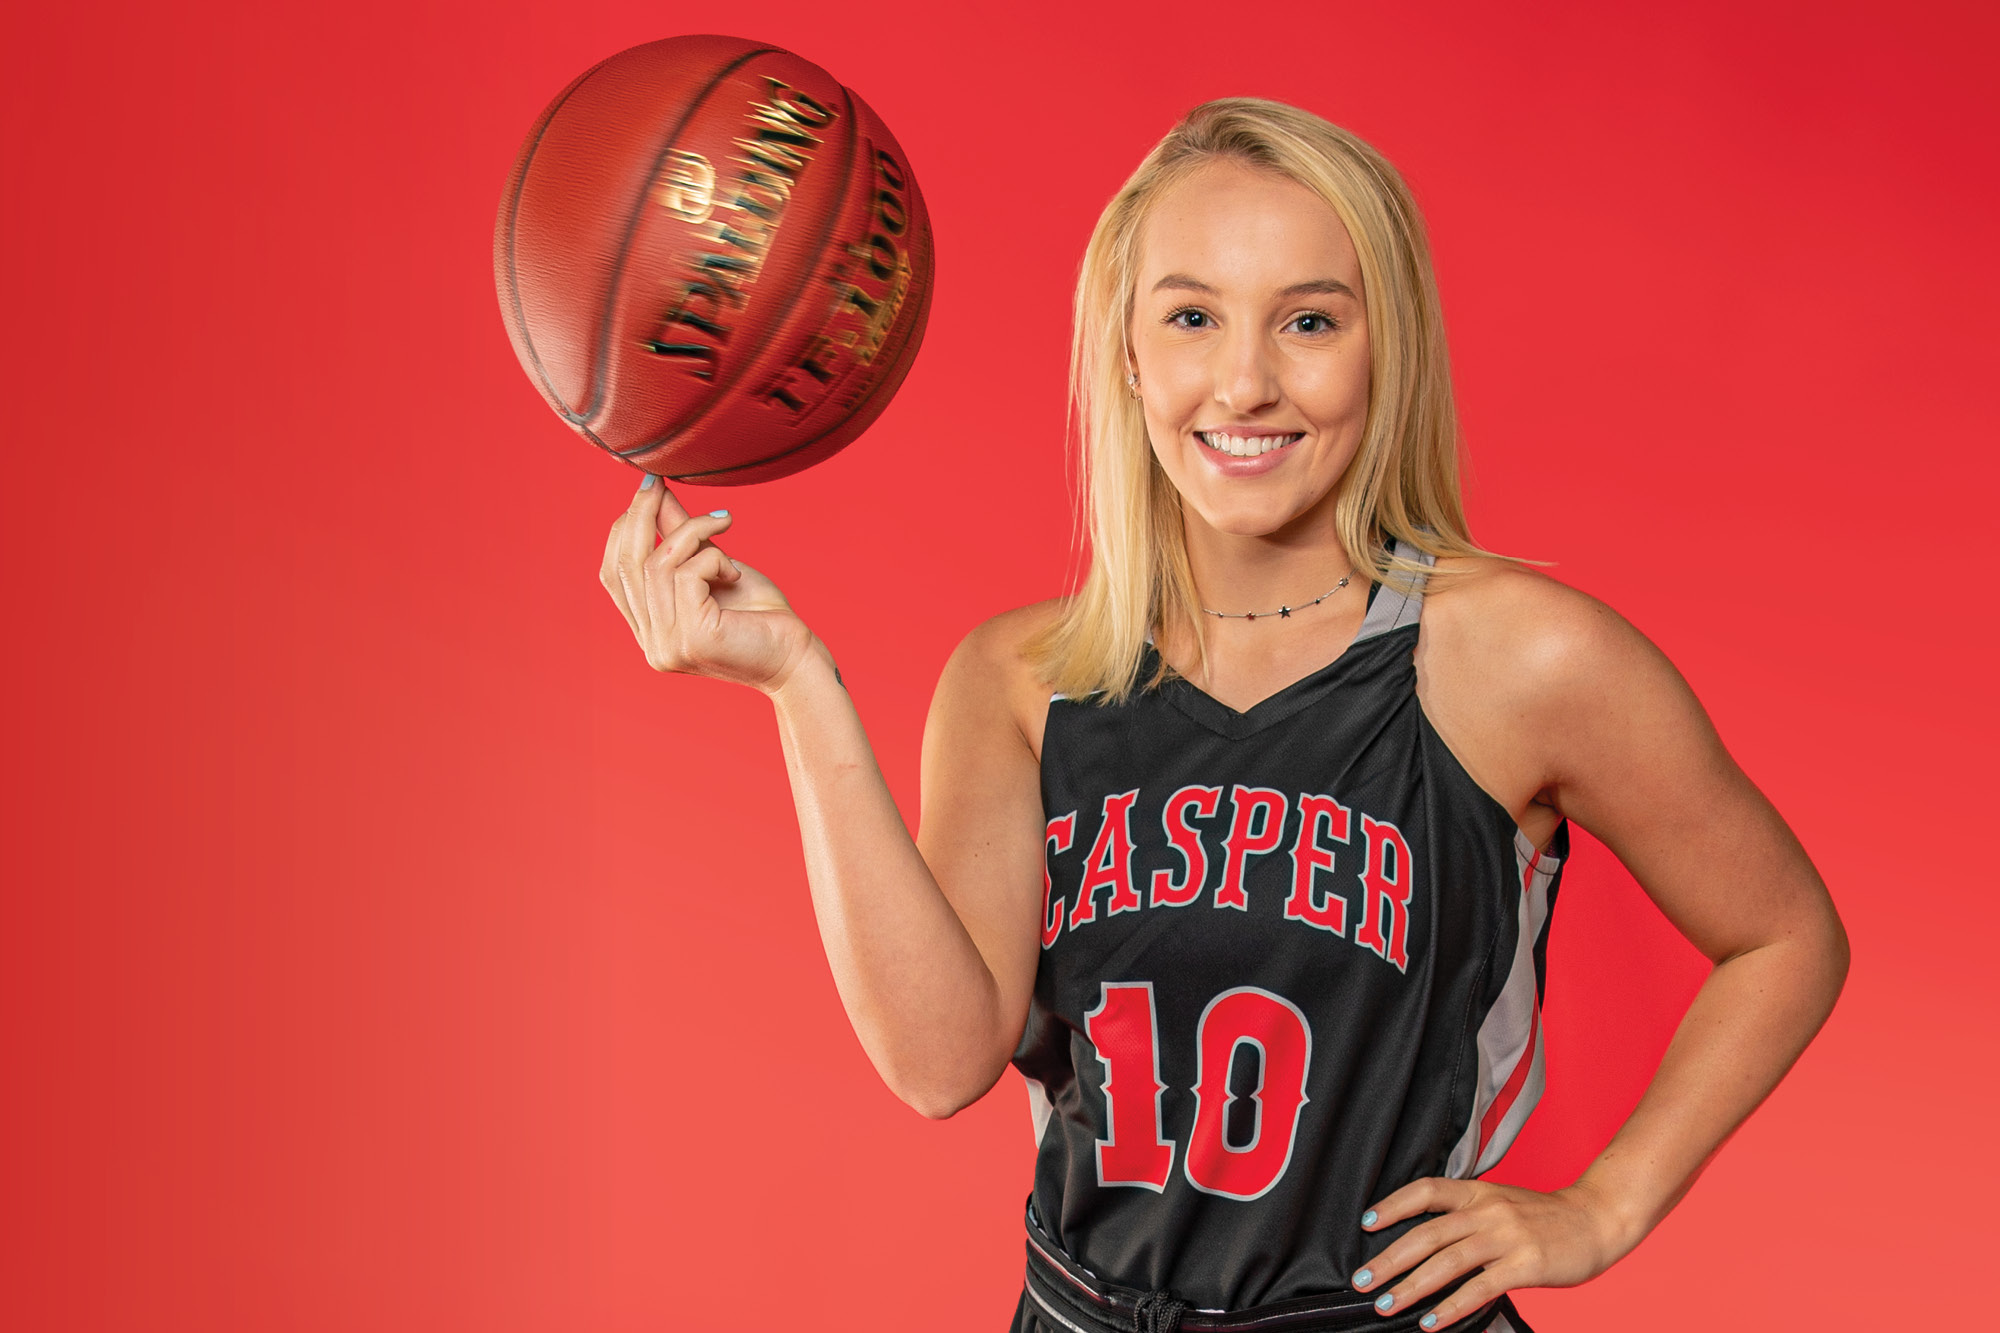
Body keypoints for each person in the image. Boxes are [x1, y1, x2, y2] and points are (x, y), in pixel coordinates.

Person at [597, 99, 1848, 1333]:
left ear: (1386, 346)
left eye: (1308, 320)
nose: (1243, 382)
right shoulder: (1021, 678)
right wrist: (794, 682)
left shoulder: (1517, 659)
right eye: (1190, 316)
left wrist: (1602, 1206)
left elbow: (1784, 935)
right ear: (1129, 353)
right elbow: (938, 1064)